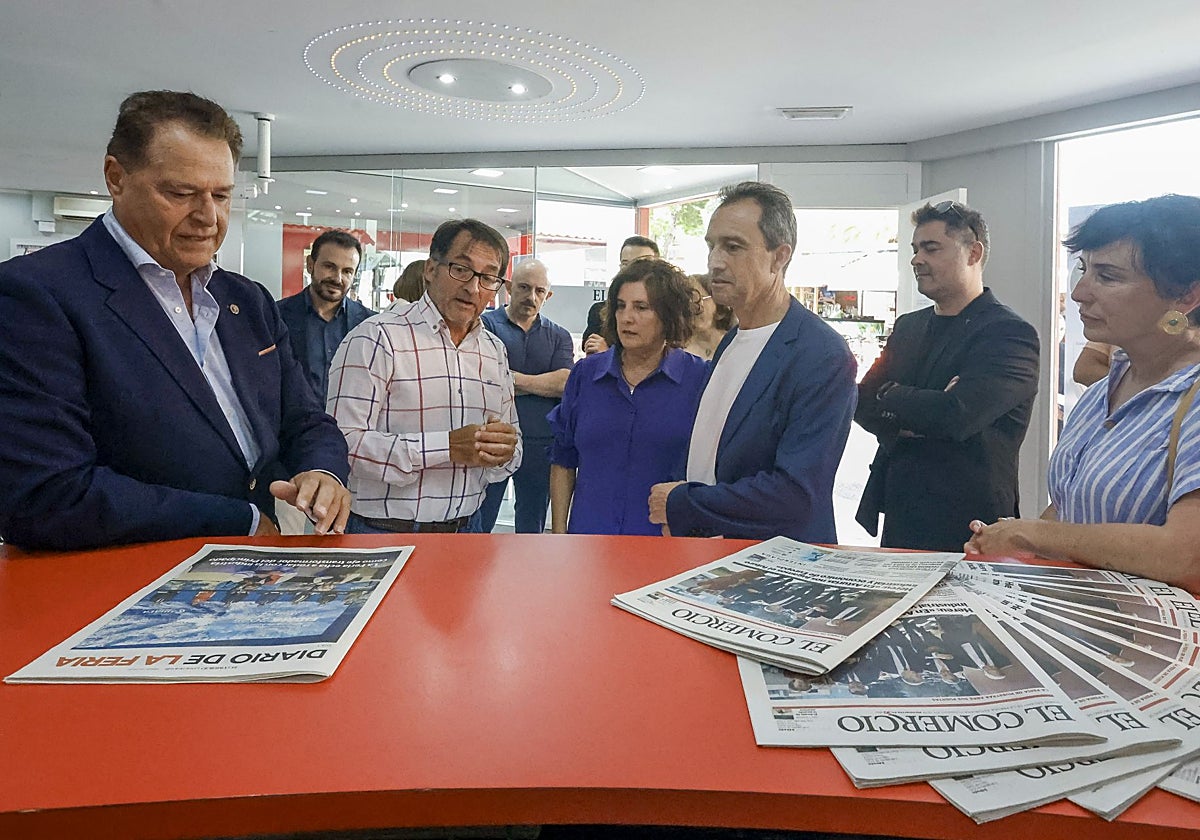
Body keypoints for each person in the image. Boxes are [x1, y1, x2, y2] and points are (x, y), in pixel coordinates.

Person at [0, 90, 351, 549]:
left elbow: (304, 419)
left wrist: (322, 471)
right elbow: (46, 493)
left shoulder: (247, 300)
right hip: (123, 585)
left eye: (222, 195)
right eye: (180, 193)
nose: (208, 217)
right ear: (116, 178)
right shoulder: (36, 294)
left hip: (252, 576)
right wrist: (237, 520)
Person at [966, 194, 1200, 591]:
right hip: (1090, 634)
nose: (1079, 293)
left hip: (1155, 646)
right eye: (1083, 270)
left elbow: (1186, 555)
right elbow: (1070, 509)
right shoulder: (1101, 393)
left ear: (1185, 296)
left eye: (1107, 276)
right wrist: (1011, 543)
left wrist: (1031, 535)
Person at [648, 182, 857, 542]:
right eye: (711, 246)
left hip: (774, 574)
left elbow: (795, 495)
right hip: (709, 557)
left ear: (780, 256)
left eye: (733, 247)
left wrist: (684, 503)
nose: (715, 261)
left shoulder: (821, 354)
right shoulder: (733, 338)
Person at [854, 200, 1040, 550]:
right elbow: (861, 402)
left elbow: (957, 416)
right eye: (914, 249)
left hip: (970, 525)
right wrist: (920, 405)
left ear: (973, 253)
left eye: (931, 248)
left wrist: (892, 395)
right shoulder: (908, 327)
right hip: (901, 514)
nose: (916, 259)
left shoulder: (1008, 334)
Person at [327, 218, 521, 534]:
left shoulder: (493, 350)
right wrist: (446, 447)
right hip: (384, 531)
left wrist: (504, 450)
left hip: (468, 528)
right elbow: (342, 444)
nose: (473, 287)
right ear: (431, 269)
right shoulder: (377, 338)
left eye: (488, 278)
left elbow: (512, 440)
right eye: (461, 269)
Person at [548, 258, 707, 535]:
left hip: (665, 542)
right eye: (620, 306)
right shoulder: (586, 374)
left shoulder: (699, 379)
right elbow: (563, 458)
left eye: (641, 307)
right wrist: (559, 533)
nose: (627, 317)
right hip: (588, 540)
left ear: (668, 315)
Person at [471, 259, 574, 533]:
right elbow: (483, 378)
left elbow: (565, 383)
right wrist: (541, 383)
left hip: (541, 443)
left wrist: (511, 379)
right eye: (524, 288)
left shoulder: (559, 336)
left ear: (548, 295)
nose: (531, 297)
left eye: (540, 291)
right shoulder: (483, 327)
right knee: (482, 520)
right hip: (493, 440)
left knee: (533, 525)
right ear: (508, 288)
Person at [276, 229, 376, 402]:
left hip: (350, 425)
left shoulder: (370, 324)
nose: (337, 278)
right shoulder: (277, 316)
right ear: (310, 264)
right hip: (294, 426)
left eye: (347, 271)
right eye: (329, 267)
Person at [582, 235, 659, 355]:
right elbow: (591, 352)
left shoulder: (668, 312)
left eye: (641, 308)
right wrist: (604, 356)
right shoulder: (599, 311)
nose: (631, 271)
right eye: (625, 264)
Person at [683, 272, 735, 360]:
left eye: (698, 299)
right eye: (687, 301)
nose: (692, 307)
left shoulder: (735, 345)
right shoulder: (681, 351)